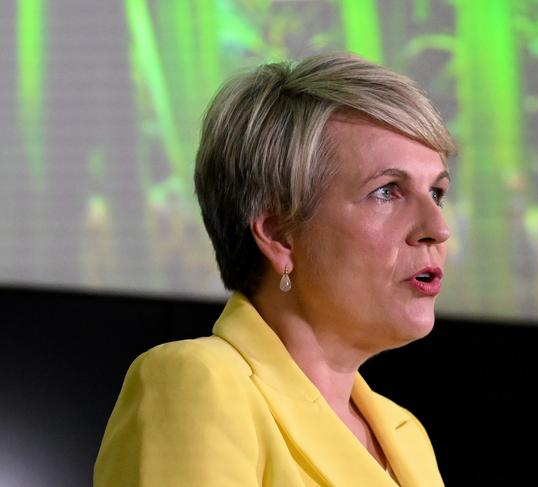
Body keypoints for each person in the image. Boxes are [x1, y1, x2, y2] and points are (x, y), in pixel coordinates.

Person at [94, 53, 455, 487]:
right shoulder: (200, 383)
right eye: (386, 192)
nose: (437, 228)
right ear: (279, 236)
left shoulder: (407, 436)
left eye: (436, 192)